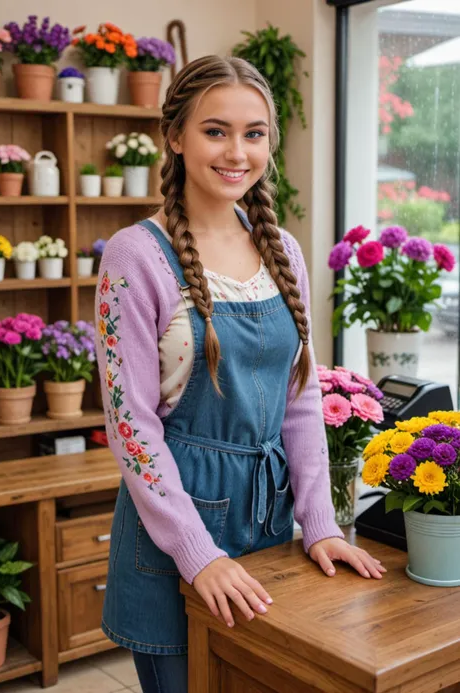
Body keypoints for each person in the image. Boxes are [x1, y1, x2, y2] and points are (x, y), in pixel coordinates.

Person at [95, 54, 386, 693]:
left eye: (254, 133)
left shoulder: (280, 248)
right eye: (215, 130)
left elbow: (301, 401)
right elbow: (132, 427)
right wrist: (197, 556)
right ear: (175, 136)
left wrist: (321, 524)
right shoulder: (135, 257)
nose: (237, 152)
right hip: (171, 529)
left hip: (268, 522)